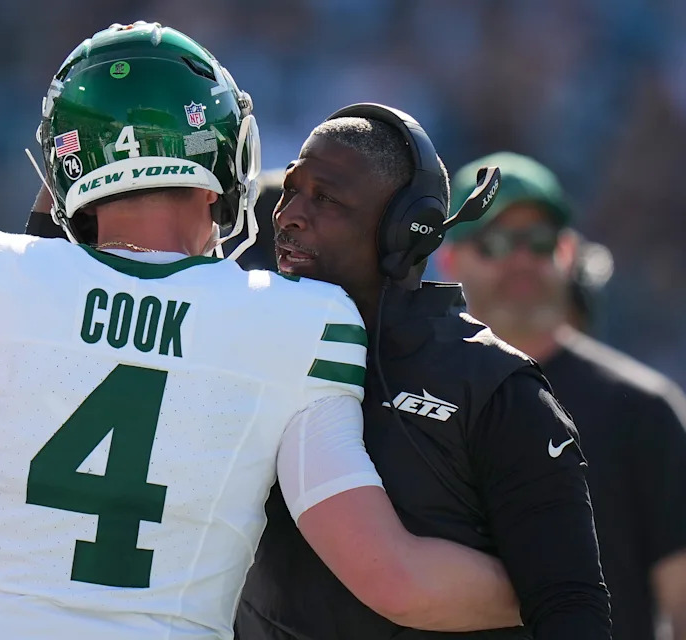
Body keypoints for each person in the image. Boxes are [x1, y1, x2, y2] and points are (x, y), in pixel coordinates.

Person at [0, 23, 527, 640]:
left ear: (64, 170)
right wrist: (558, 588)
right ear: (222, 152)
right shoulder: (295, 323)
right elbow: (395, 580)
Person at [235, 105, 612, 639]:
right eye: (293, 190)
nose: (289, 214)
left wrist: (536, 584)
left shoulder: (496, 389)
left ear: (404, 231)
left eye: (326, 198)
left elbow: (571, 605)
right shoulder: (249, 346)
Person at [437, 151, 686, 640]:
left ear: (568, 253)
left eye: (540, 240)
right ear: (450, 258)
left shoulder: (641, 408)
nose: (522, 258)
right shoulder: (416, 393)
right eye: (497, 242)